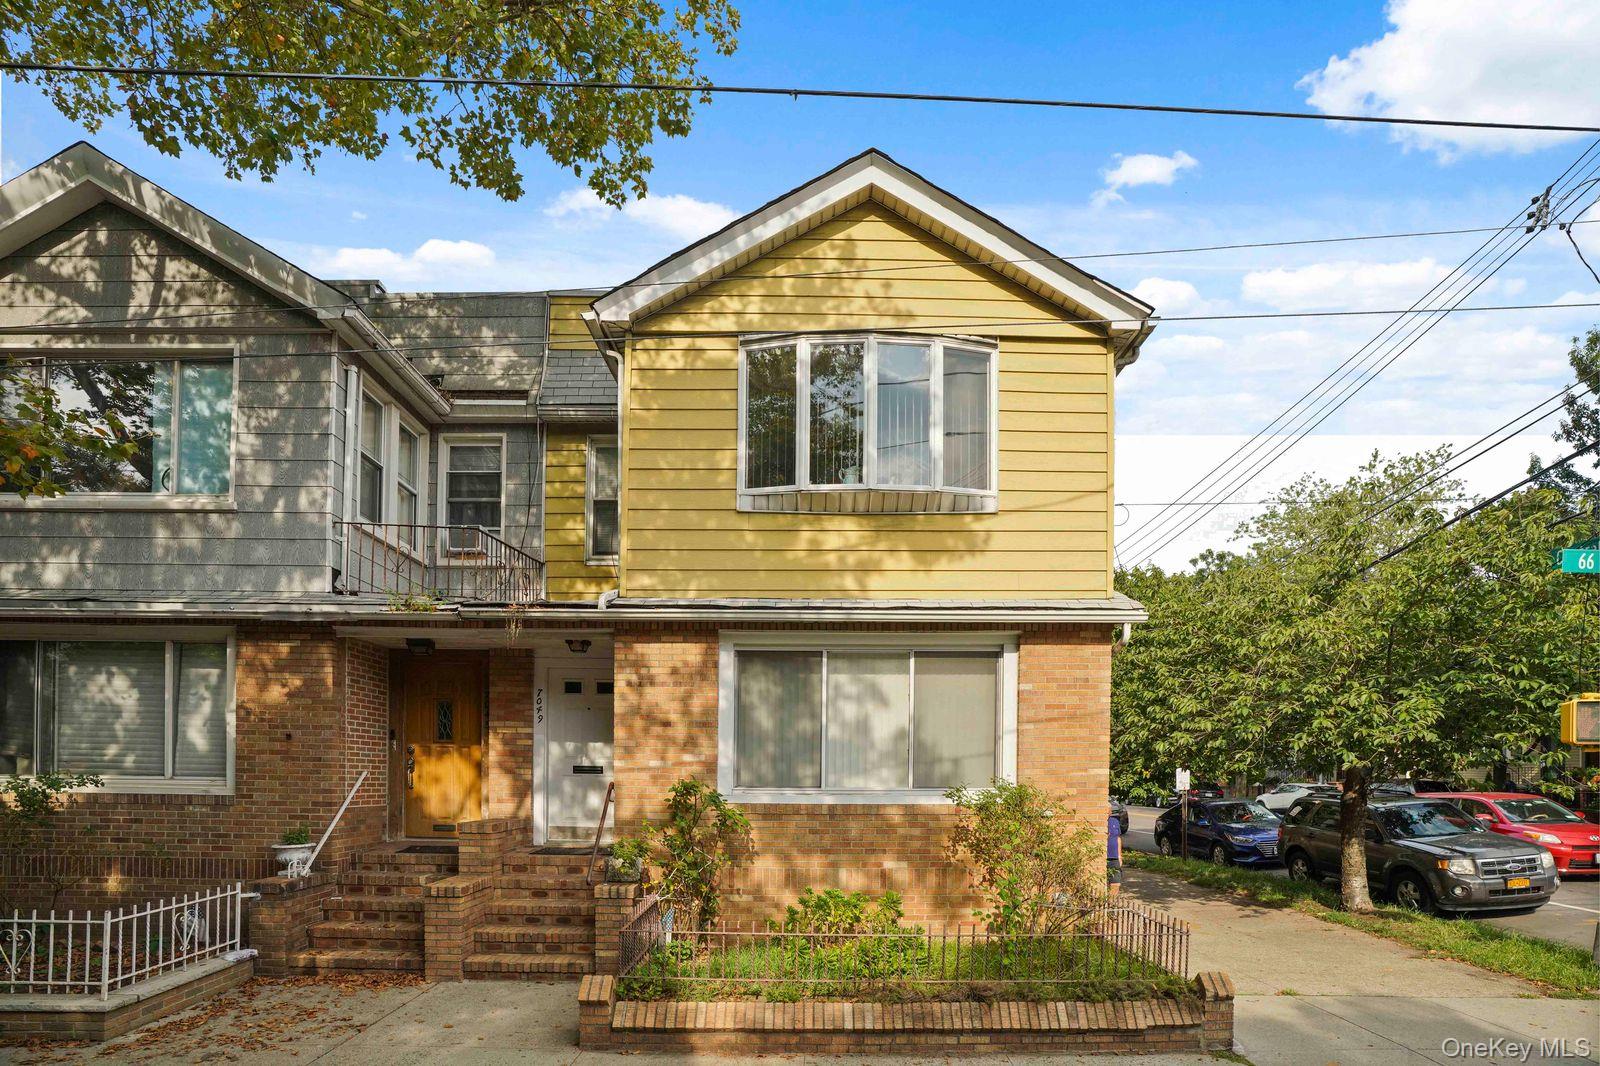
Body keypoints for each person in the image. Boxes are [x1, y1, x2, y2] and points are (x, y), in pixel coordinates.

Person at [1106, 802, 1123, 897]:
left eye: (1107, 811)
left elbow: (1118, 838)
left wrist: (1120, 855)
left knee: (1116, 884)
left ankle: (1111, 905)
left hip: (1114, 857)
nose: (1106, 813)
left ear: (1110, 811)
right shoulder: (1099, 823)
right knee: (1103, 885)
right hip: (1104, 858)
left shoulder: (1114, 821)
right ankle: (1103, 907)